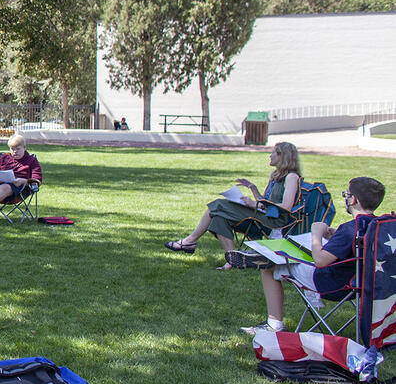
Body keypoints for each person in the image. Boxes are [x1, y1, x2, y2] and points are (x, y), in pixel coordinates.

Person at [240, 176, 385, 335]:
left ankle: (274, 325)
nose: (346, 198)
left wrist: (316, 235)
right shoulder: (378, 228)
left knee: (270, 267)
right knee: (288, 256)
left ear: (353, 200)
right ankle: (257, 256)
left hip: (332, 284)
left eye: (347, 195)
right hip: (362, 283)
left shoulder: (350, 229)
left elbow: (320, 261)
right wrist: (334, 237)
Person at [164, 141, 302, 255]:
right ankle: (232, 259)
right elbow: (264, 202)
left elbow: (286, 206)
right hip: (264, 215)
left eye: (273, 152)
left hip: (274, 223)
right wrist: (252, 188)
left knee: (218, 205)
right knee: (219, 218)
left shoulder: (291, 177)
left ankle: (190, 241)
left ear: (282, 155)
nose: (270, 155)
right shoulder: (275, 175)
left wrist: (254, 205)